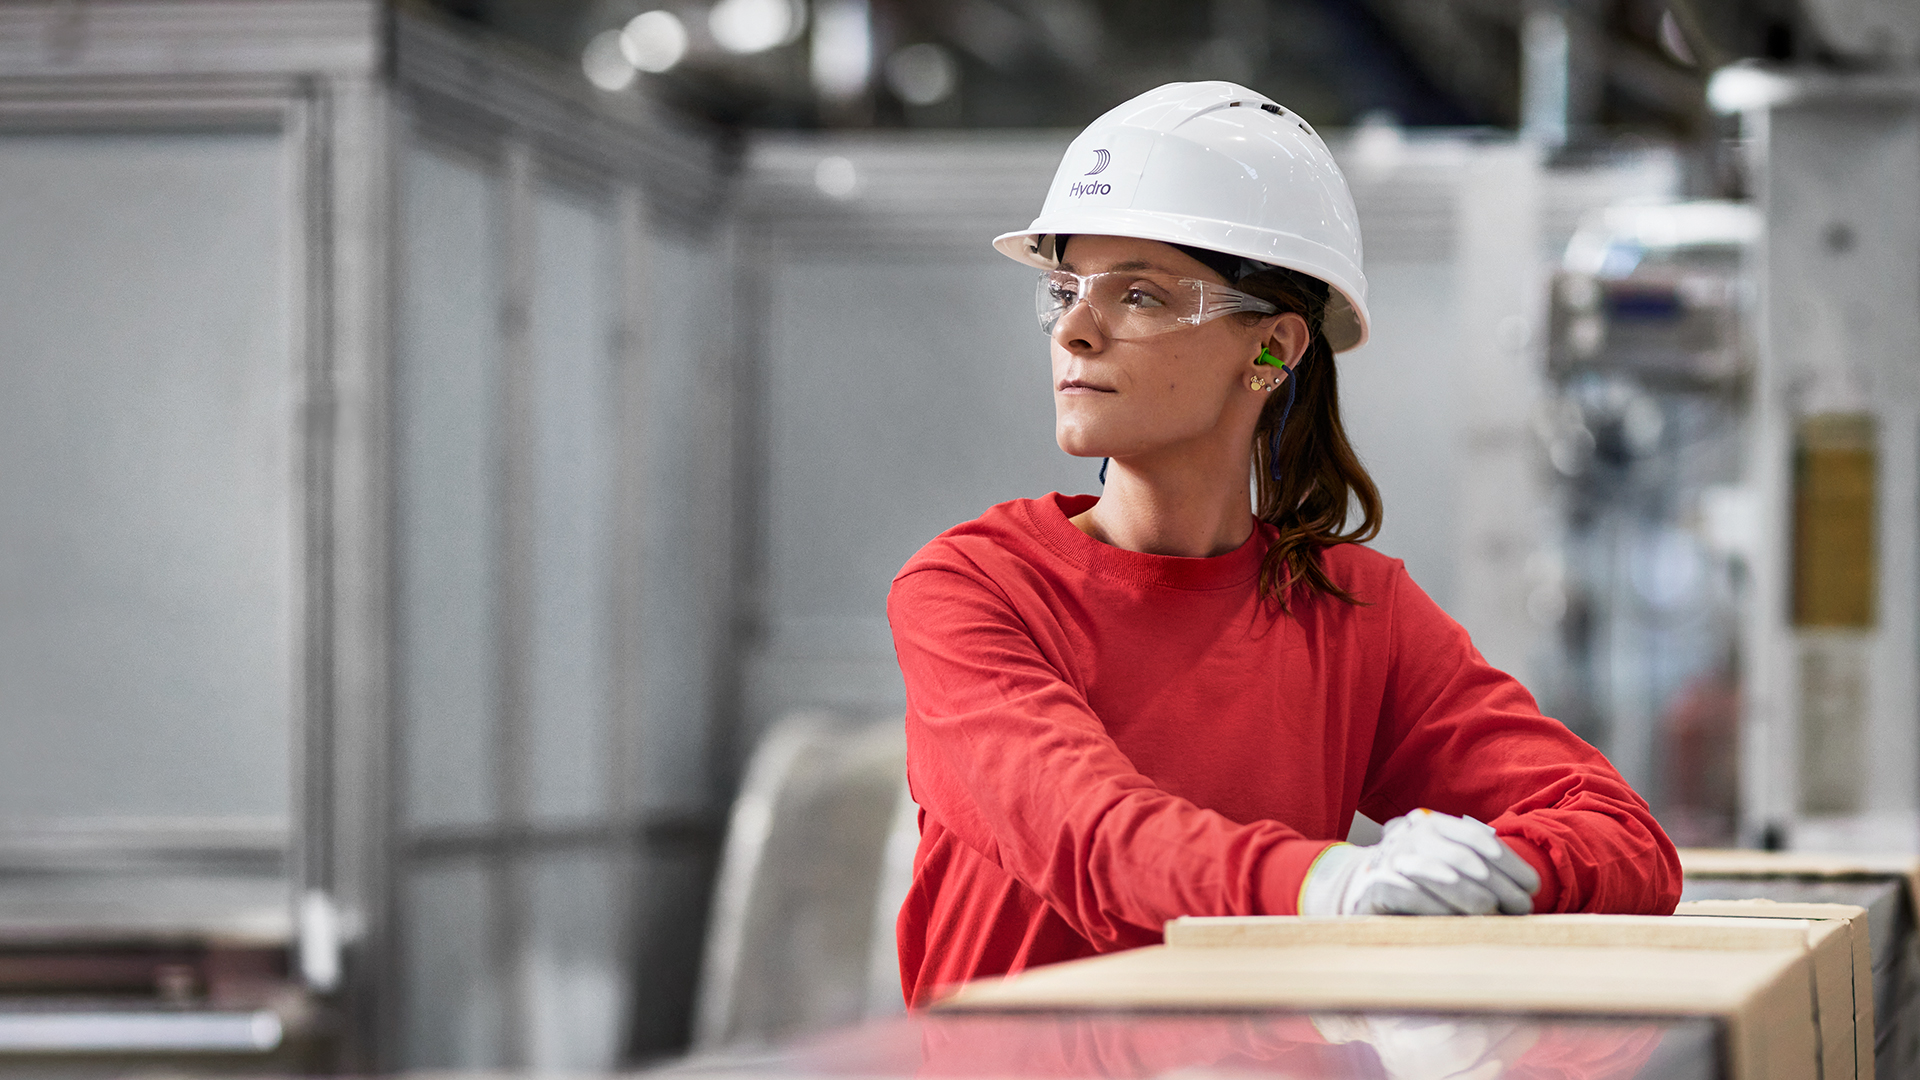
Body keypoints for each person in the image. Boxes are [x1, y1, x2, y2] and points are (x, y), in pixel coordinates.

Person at [885, 81, 1680, 1007]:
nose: (1074, 329)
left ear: (1273, 350)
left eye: (1137, 293)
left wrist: (1485, 873)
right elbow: (1090, 835)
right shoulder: (974, 588)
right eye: (1065, 289)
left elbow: (1626, 838)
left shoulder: (1354, 614)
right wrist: (1328, 885)